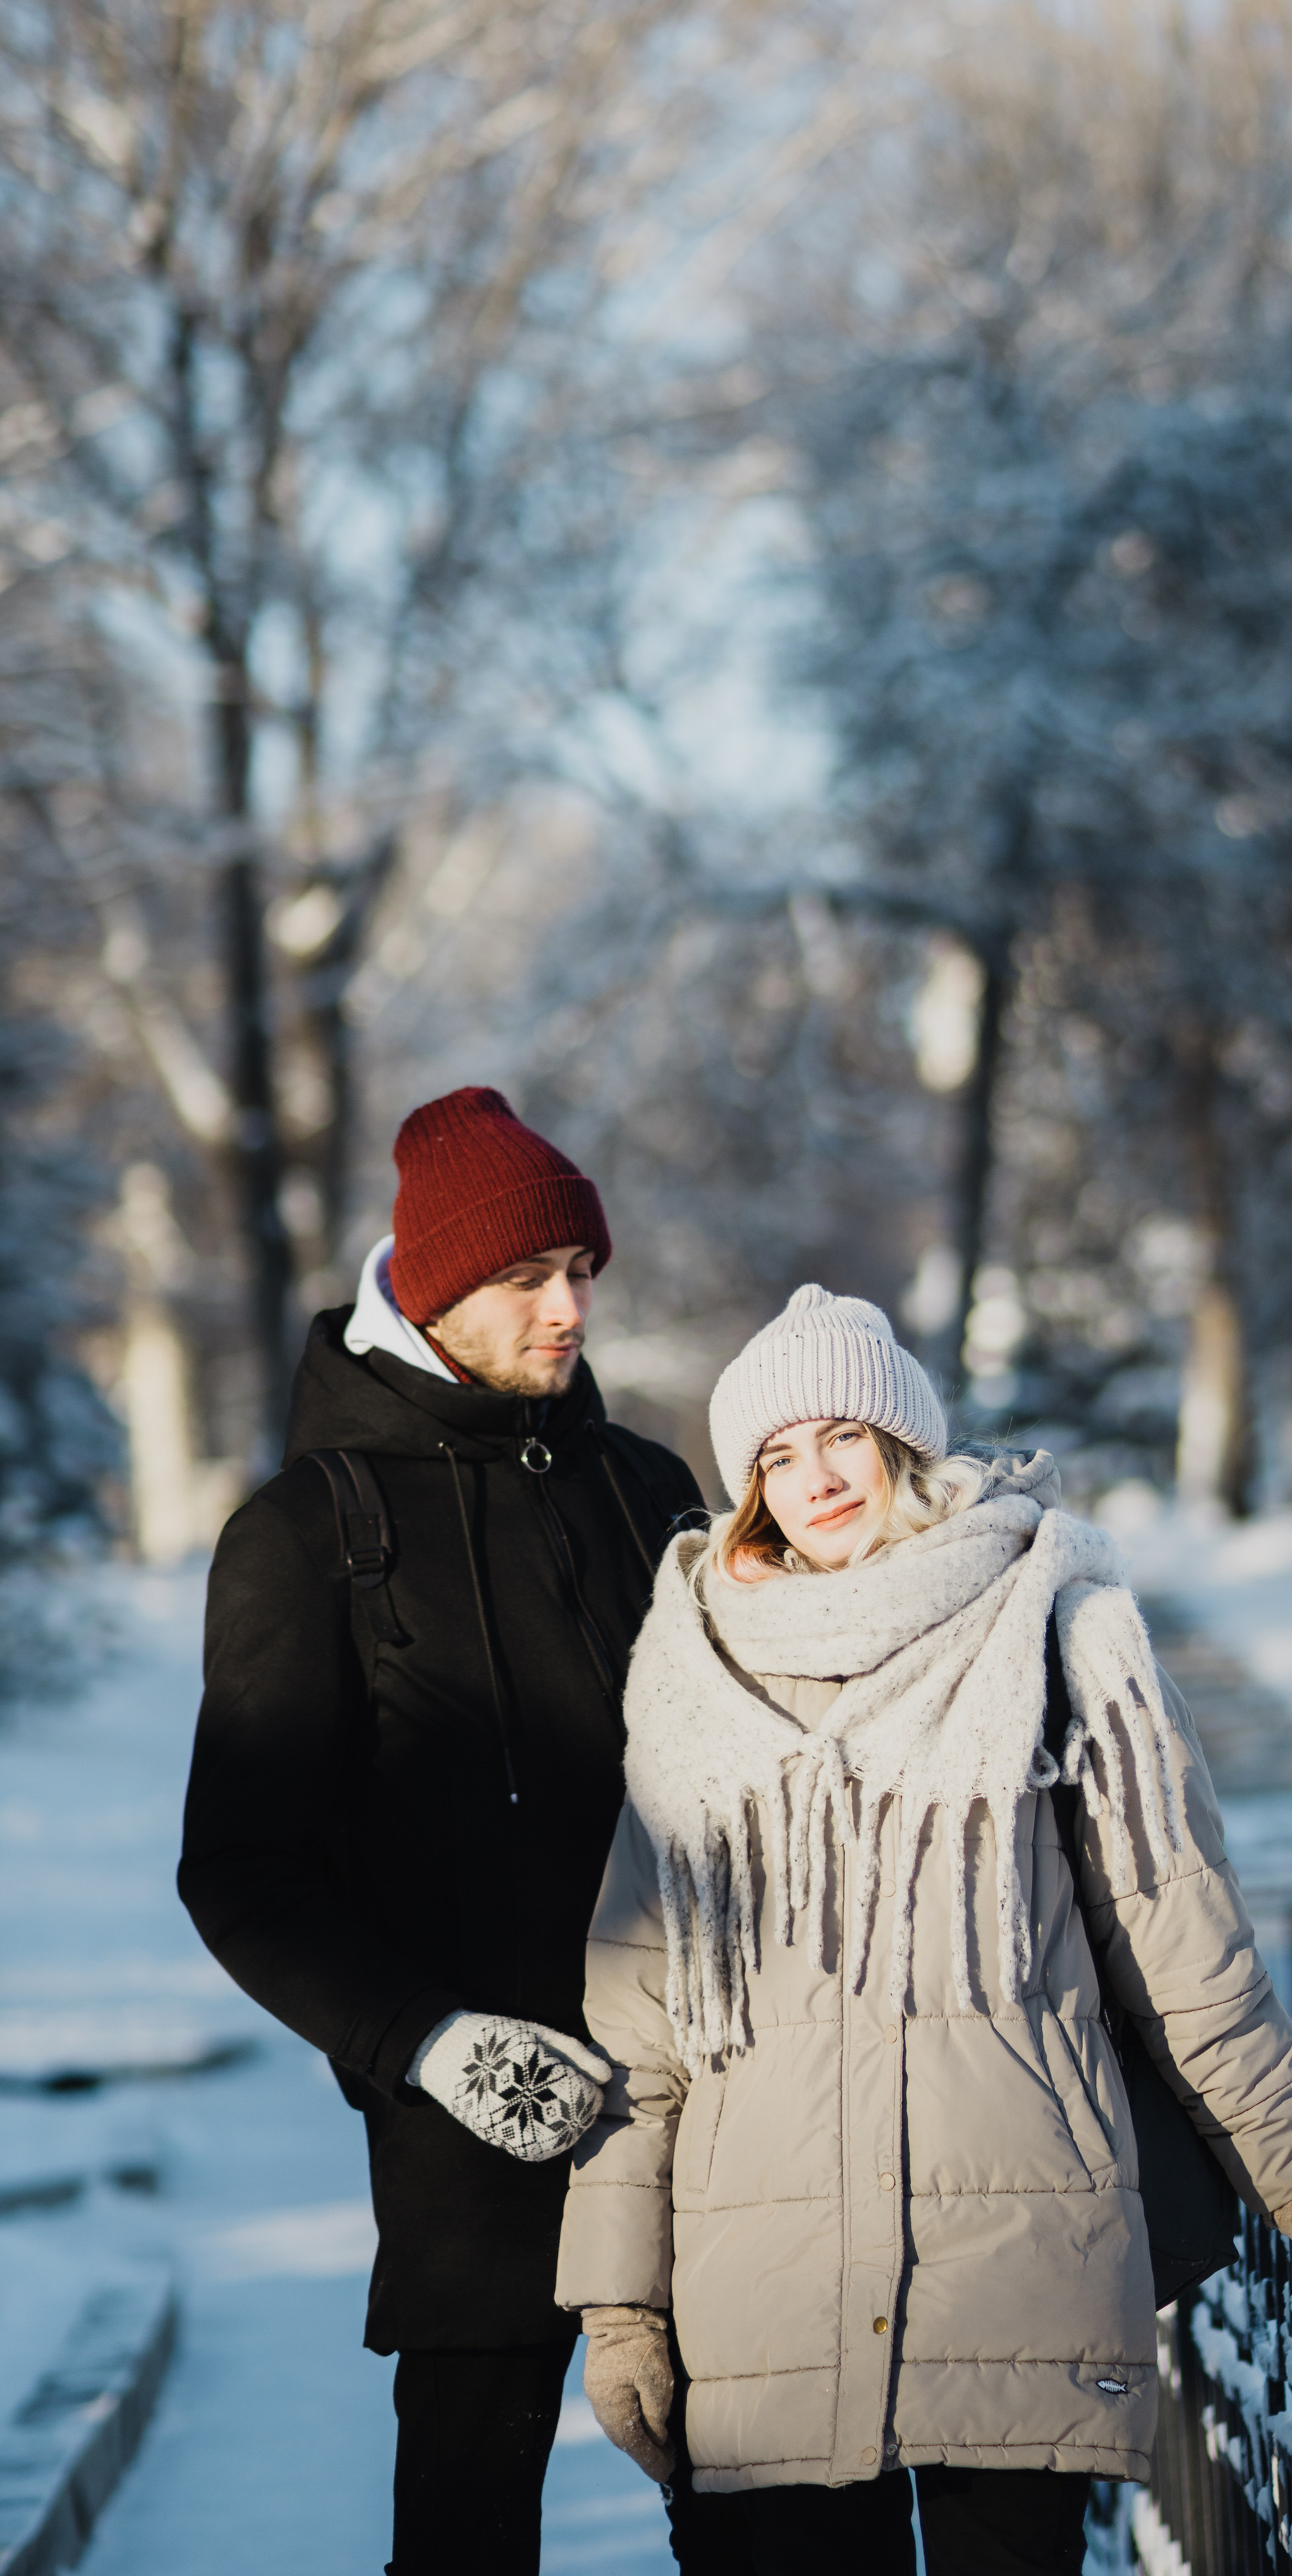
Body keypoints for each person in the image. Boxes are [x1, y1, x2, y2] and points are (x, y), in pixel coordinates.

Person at [556, 1281, 1292, 2575]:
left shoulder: (1057, 1632)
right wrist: (619, 2306)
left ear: (901, 1440)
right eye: (777, 1453)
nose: (815, 1478)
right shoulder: (688, 1675)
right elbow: (642, 2025)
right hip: (764, 2288)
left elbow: (1185, 1953)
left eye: (842, 1437)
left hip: (1017, 2266)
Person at [180, 1086, 703, 2576]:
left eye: (581, 1273)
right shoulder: (308, 1530)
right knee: (472, 2541)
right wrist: (428, 2043)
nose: (568, 1309)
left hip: (704, 2111)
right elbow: (239, 1871)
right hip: (481, 2154)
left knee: (769, 2522)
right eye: (528, 1280)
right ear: (433, 1292)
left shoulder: (644, 1491)